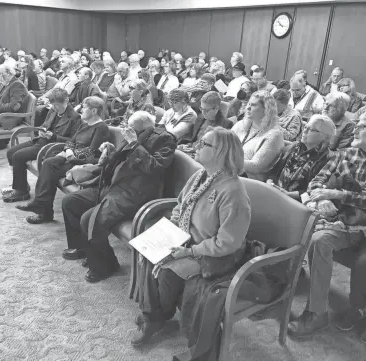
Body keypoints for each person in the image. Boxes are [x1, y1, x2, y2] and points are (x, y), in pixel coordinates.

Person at [132, 127, 251, 346]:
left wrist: (188, 251)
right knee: (147, 252)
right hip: (187, 238)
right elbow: (180, 206)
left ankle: (156, 318)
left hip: (215, 252)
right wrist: (170, 232)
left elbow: (227, 243)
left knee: (167, 269)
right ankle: (155, 316)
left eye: (204, 143)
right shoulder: (200, 176)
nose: (197, 145)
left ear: (221, 152)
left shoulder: (233, 192)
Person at [61, 110, 177, 282]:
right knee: (71, 202)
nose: (128, 131)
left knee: (90, 220)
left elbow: (155, 166)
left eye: (132, 129)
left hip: (134, 193)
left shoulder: (165, 139)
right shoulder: (135, 133)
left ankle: (107, 265)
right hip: (113, 186)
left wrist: (134, 144)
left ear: (145, 128)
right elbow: (122, 159)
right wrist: (110, 150)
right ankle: (83, 248)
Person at [288, 114, 366, 338]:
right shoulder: (346, 154)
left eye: (362, 125)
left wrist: (337, 193)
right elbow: (316, 182)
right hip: (341, 220)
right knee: (316, 236)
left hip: (360, 225)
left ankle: (316, 311)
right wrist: (322, 198)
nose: (354, 128)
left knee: (320, 239)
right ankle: (316, 310)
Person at [16, 96, 111, 224]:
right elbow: (70, 141)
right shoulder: (85, 125)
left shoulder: (101, 128)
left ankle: (43, 210)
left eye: (84, 107)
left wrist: (70, 154)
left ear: (94, 111)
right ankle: (42, 209)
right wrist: (68, 150)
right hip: (72, 157)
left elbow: (92, 152)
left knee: (50, 164)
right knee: (50, 162)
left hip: (86, 163)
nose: (81, 110)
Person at [2, 88, 82, 202]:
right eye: (53, 105)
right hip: (41, 140)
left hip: (51, 146)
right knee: (11, 152)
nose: (54, 108)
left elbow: (72, 140)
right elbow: (45, 124)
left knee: (18, 156)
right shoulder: (53, 110)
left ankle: (21, 191)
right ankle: (21, 184)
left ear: (66, 101)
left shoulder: (74, 117)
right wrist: (41, 130)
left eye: (57, 105)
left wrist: (53, 136)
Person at [267, 114, 335, 200]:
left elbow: (317, 190)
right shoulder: (295, 146)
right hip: (273, 191)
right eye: (306, 126)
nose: (305, 131)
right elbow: (276, 170)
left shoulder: (328, 159)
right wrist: (269, 181)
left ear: (326, 137)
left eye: (312, 130)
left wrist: (290, 195)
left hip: (295, 202)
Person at [231, 91, 284, 181]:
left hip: (250, 181)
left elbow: (256, 166)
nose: (247, 107)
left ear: (266, 109)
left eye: (253, 105)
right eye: (248, 103)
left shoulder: (274, 134)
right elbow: (224, 144)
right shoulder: (241, 125)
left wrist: (227, 161)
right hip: (230, 173)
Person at [179, 91, 234, 157]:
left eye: (206, 110)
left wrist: (195, 150)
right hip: (190, 150)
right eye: (201, 108)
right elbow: (192, 138)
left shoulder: (226, 125)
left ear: (216, 108)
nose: (203, 112)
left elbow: (218, 150)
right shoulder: (200, 117)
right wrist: (187, 145)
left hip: (204, 156)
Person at [34, 55, 79, 126]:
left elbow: (63, 96)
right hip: (52, 100)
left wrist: (47, 100)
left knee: (38, 109)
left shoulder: (73, 78)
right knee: (34, 104)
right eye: (60, 61)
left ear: (69, 65)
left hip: (59, 103)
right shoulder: (63, 75)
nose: (60, 63)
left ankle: (36, 132)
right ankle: (31, 132)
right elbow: (53, 90)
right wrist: (43, 97)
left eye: (63, 61)